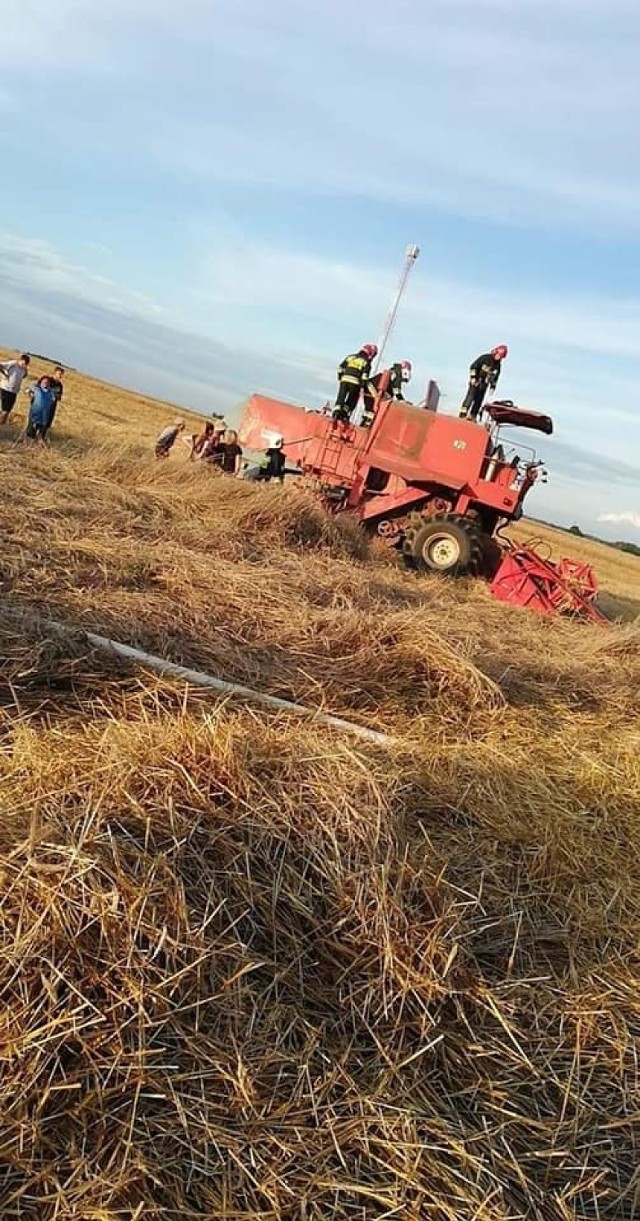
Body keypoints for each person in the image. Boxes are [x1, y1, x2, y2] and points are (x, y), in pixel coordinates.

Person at [459, 345, 508, 421]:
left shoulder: (498, 366)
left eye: (501, 356)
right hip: (476, 381)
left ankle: (472, 416)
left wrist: (492, 387)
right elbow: (473, 366)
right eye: (498, 355)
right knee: (470, 398)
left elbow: (495, 378)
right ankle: (462, 415)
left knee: (478, 401)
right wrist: (473, 378)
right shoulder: (485, 358)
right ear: (495, 352)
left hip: (484, 385)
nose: (499, 357)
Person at [333, 343, 378, 423]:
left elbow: (340, 368)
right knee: (352, 399)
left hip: (344, 380)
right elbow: (364, 377)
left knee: (341, 397)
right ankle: (344, 415)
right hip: (355, 382)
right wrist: (362, 386)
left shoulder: (350, 357)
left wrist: (341, 378)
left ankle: (336, 413)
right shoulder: (366, 362)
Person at [361, 360, 412, 426]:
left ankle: (364, 424)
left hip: (370, 387)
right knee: (372, 411)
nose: (401, 381)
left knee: (369, 409)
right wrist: (402, 400)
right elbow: (396, 391)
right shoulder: (398, 373)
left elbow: (390, 389)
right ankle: (366, 425)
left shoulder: (393, 371)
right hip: (374, 389)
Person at [0, 353, 31, 425]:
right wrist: (4, 373)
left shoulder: (24, 369)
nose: (24, 365)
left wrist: (26, 370)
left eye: (26, 364)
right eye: (23, 363)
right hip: (6, 389)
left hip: (14, 392)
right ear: (20, 360)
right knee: (4, 411)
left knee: (7, 412)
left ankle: (2, 426)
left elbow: (24, 376)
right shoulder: (13, 363)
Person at [25, 376, 56, 442]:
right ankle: (28, 441)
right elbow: (26, 390)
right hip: (35, 412)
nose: (45, 383)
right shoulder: (36, 388)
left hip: (44, 414)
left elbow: (53, 400)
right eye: (44, 381)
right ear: (41, 382)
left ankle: (35, 443)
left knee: (40, 430)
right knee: (31, 428)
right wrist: (30, 394)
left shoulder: (51, 392)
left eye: (47, 382)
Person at [42, 366, 64, 439]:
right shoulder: (48, 381)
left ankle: (42, 437)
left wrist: (56, 397)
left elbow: (59, 396)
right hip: (44, 405)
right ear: (54, 373)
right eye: (59, 374)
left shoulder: (60, 385)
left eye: (61, 374)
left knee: (48, 423)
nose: (60, 376)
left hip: (52, 406)